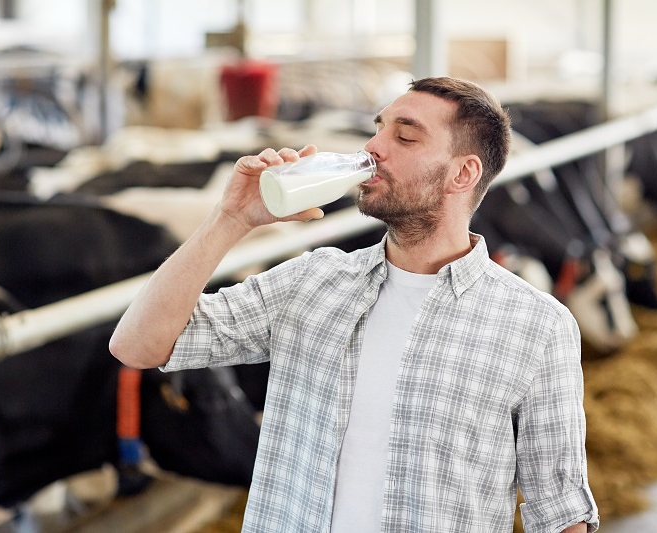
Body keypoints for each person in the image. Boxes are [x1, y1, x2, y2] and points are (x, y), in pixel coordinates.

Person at [109, 76, 599, 532]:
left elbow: (560, 510)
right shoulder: (312, 280)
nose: (372, 147)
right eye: (378, 129)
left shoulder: (538, 326)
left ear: (463, 173)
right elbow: (138, 345)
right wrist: (229, 219)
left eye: (405, 138)